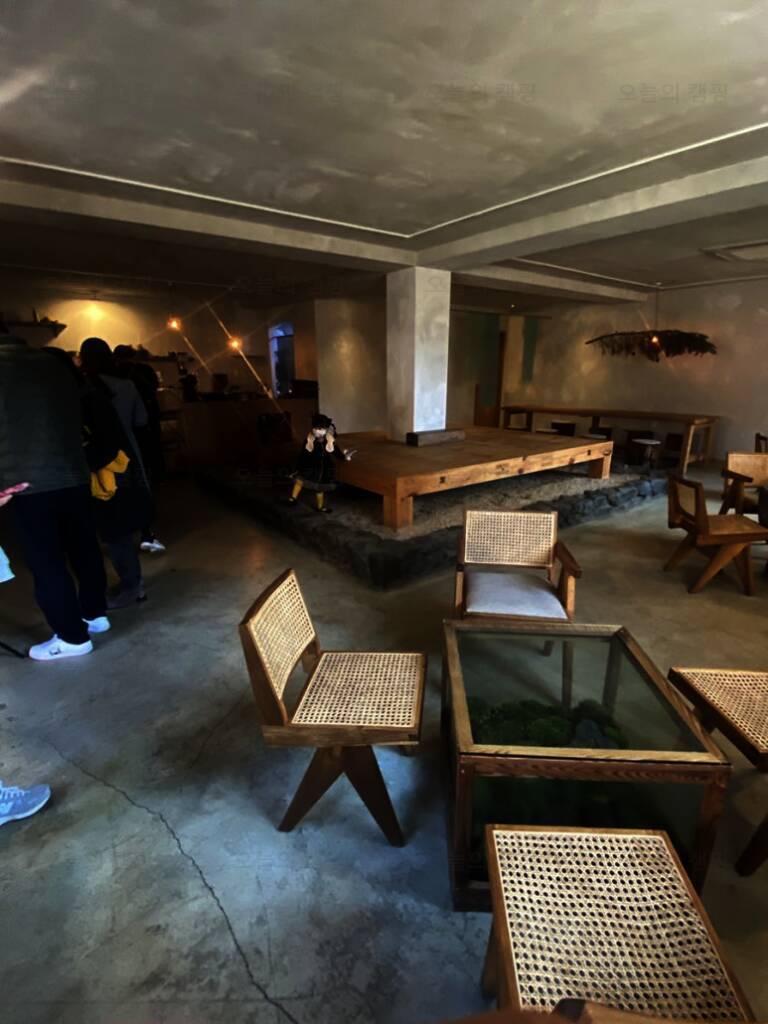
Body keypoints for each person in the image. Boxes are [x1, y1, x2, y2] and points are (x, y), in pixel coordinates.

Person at [0, 328, 109, 660]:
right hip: (73, 471)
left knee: (47, 562)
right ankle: (95, 614)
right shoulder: (53, 363)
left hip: (25, 481)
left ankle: (72, 637)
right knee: (84, 547)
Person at [78, 337, 151, 608]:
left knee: (112, 526)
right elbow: (141, 420)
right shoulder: (126, 386)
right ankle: (133, 580)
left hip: (101, 465)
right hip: (128, 457)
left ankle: (132, 585)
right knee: (124, 520)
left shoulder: (84, 389)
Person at [113, 344, 166, 553]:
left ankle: (122, 534)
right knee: (141, 483)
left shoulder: (100, 381)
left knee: (115, 489)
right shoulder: (139, 376)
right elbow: (142, 418)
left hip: (109, 445)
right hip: (137, 438)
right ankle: (146, 533)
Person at [288, 413, 352, 513]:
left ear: (326, 429)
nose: (319, 431)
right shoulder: (309, 440)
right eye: (317, 429)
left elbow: (336, 451)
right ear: (313, 428)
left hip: (323, 468)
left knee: (320, 488)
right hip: (309, 465)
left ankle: (320, 507)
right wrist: (297, 467)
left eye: (322, 429)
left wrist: (344, 457)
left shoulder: (329, 440)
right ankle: (293, 498)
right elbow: (303, 454)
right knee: (300, 480)